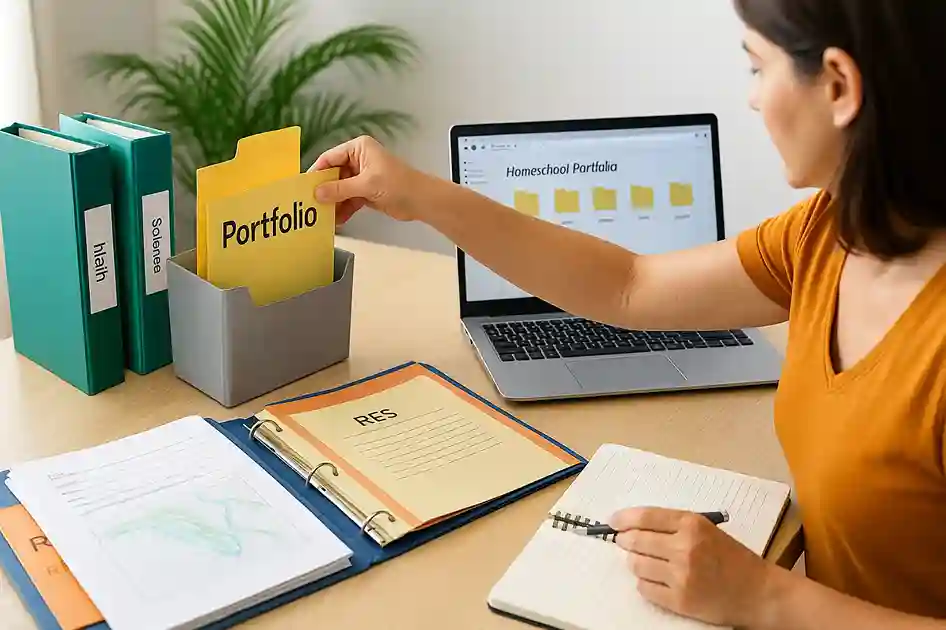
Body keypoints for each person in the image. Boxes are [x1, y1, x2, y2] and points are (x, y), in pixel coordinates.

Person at [310, 0, 946, 627]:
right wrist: (417, 195)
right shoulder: (826, 234)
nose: (752, 98)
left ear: (838, 85)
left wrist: (767, 597)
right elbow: (627, 285)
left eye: (758, 67)